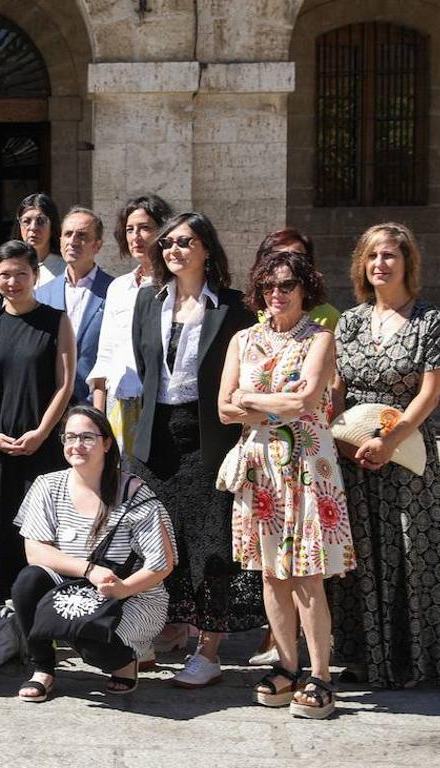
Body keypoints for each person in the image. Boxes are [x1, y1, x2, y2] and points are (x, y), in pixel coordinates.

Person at [328, 222, 440, 689]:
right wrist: (345, 443)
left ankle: (415, 660)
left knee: (411, 549)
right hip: (353, 452)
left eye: (389, 255)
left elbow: (430, 394)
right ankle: (362, 657)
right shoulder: (349, 321)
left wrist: (389, 439)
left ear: (408, 261)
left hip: (406, 454)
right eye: (371, 257)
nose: (379, 265)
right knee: (360, 551)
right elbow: (338, 393)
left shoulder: (430, 321)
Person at [130, 212, 263, 687]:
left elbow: (246, 371)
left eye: (184, 242)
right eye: (166, 243)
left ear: (207, 248)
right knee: (155, 539)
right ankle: (154, 631)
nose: (173, 251)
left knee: (211, 544)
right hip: (155, 435)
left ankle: (209, 649)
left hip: (208, 435)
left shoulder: (232, 308)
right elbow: (146, 369)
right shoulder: (148, 301)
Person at [219, 248, 353, 718]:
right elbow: (223, 408)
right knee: (272, 574)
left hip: (305, 465)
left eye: (287, 285)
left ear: (304, 290)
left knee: (307, 575)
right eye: (270, 285)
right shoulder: (242, 340)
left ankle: (320, 675)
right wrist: (273, 401)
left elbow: (308, 401)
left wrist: (250, 399)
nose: (277, 294)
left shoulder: (319, 339)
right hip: (261, 468)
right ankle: (286, 665)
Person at [11, 406, 176, 700]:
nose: (77, 445)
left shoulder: (134, 492)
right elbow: (34, 552)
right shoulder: (47, 486)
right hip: (73, 586)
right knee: (28, 581)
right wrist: (88, 570)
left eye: (87, 437)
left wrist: (122, 588)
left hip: (130, 593)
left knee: (93, 645)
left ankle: (125, 663)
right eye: (70, 437)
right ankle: (43, 668)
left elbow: (162, 564)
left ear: (107, 443)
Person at [0, 240, 75, 603]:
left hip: (41, 448)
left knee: (42, 535)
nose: (12, 282)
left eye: (21, 274)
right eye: (5, 274)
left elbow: (65, 385)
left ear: (35, 275)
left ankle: (43, 618)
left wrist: (42, 433)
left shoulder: (56, 321)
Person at [87, 194, 171, 455]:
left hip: (160, 403)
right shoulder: (118, 287)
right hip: (119, 402)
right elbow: (106, 356)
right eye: (129, 229)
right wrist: (98, 418)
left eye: (145, 228)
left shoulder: (174, 284)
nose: (136, 236)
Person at [35, 206, 115, 404]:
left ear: (98, 245)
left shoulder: (114, 291)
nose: (73, 241)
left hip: (96, 403)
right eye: (68, 234)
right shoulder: (41, 294)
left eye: (82, 236)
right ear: (60, 241)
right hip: (50, 405)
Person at [252, 229, 340, 331]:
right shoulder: (248, 316)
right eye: (277, 257)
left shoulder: (329, 317)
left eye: (296, 257)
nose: (286, 262)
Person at [0, 193, 60, 299]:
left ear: (52, 225)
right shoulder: (3, 267)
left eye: (41, 221)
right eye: (26, 221)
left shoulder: (65, 270)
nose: (33, 227)